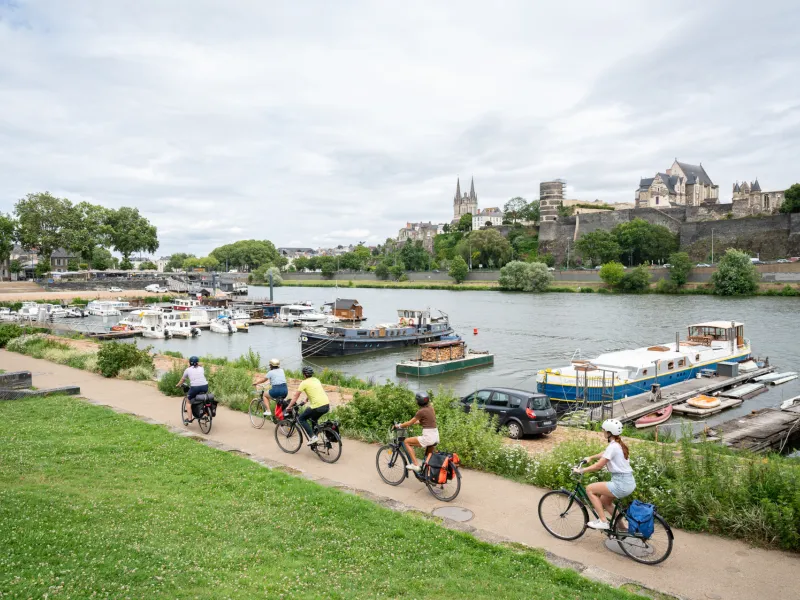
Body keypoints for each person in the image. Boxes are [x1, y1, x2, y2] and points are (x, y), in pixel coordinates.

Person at [574, 418, 636, 530]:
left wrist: (581, 470)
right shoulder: (618, 444)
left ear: (609, 433)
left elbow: (598, 466)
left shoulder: (613, 446)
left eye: (604, 430)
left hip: (621, 484)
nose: (603, 432)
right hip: (627, 482)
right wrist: (591, 457)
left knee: (590, 489)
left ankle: (603, 522)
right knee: (605, 501)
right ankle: (622, 528)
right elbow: (605, 453)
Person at [394, 393, 438, 472]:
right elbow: (425, 420)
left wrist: (399, 425)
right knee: (428, 459)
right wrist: (413, 423)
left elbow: (409, 423)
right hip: (435, 437)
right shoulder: (431, 408)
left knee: (406, 441)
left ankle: (415, 465)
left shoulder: (421, 411)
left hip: (428, 437)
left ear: (418, 402)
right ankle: (427, 474)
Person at [287, 366, 330, 445]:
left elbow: (295, 396)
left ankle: (313, 437)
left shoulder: (304, 383)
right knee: (314, 419)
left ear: (304, 375)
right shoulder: (316, 380)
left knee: (301, 419)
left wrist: (289, 407)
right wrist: (306, 399)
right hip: (326, 405)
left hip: (317, 406)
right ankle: (316, 439)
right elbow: (314, 391)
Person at [176, 356, 208, 425]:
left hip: (195, 388)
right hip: (205, 386)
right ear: (197, 362)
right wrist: (198, 364)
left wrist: (178, 385)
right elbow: (200, 365)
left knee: (188, 401)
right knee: (203, 399)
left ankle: (190, 419)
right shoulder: (201, 368)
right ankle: (205, 414)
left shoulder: (187, 370)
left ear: (190, 362)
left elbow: (183, 379)